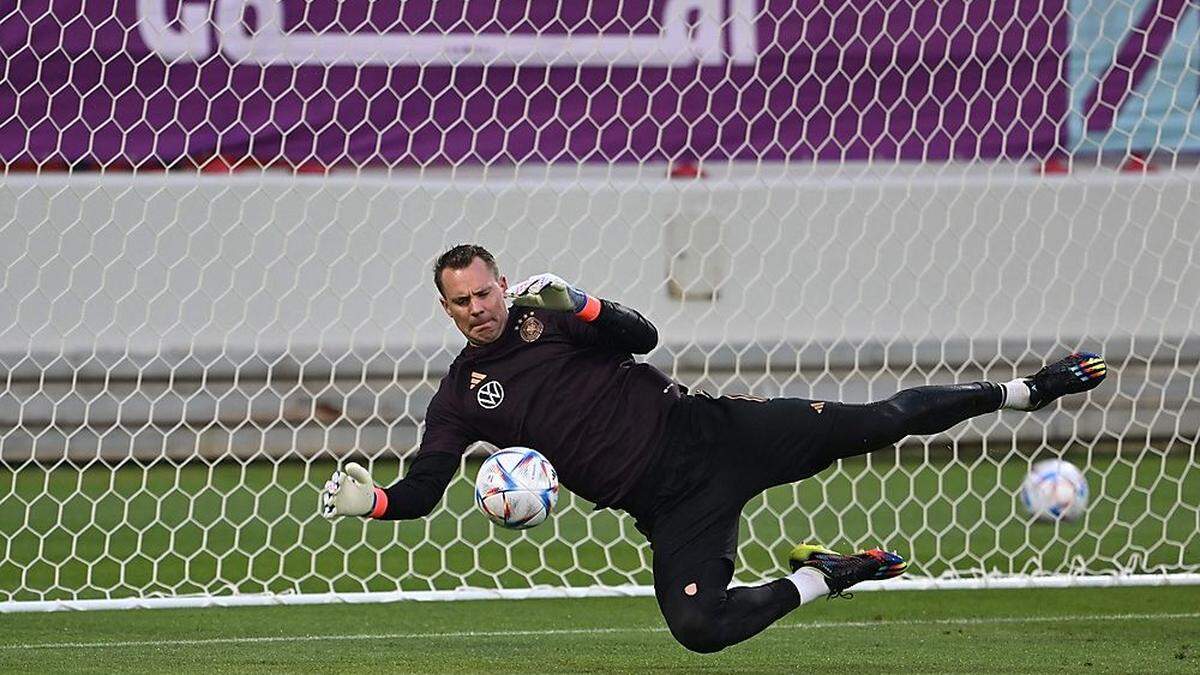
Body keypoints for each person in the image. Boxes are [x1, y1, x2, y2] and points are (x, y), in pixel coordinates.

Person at [320, 243, 1108, 653]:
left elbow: (644, 335)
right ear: (446, 308)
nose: (475, 309)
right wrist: (377, 501)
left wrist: (586, 301)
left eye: (484, 292)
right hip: (668, 508)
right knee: (698, 629)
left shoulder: (554, 314)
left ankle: (1024, 390)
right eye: (459, 302)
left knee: (883, 417)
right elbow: (426, 484)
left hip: (713, 432)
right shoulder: (461, 394)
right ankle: (823, 576)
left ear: (500, 282)